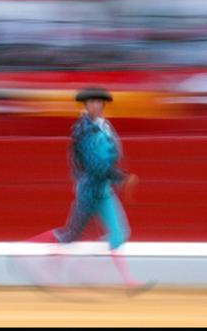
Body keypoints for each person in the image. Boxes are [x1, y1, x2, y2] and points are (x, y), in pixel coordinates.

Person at [30, 87, 151, 293]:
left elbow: (110, 156)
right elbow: (95, 164)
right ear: (86, 105)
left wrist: (116, 177)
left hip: (103, 190)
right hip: (89, 191)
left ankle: (128, 282)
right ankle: (40, 262)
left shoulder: (104, 125)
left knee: (120, 233)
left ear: (103, 104)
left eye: (99, 102)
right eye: (92, 102)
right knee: (70, 234)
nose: (96, 105)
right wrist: (121, 177)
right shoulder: (83, 130)